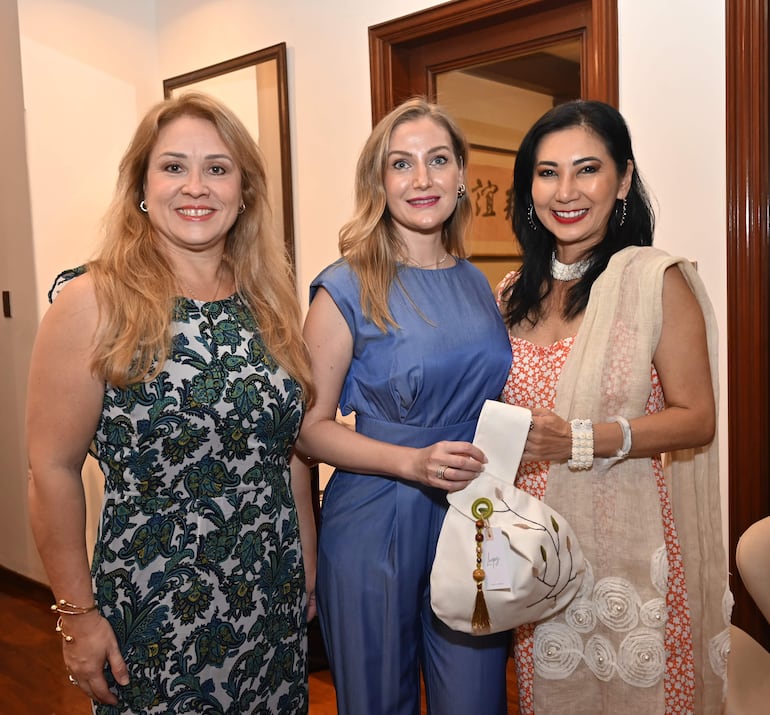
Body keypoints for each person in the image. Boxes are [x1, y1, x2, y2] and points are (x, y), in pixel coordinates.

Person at [26, 92, 316, 713]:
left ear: (245, 193)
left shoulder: (268, 304)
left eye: (217, 168)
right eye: (173, 166)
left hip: (270, 593)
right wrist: (76, 617)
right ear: (141, 185)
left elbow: (288, 447)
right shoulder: (93, 302)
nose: (196, 187)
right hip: (159, 609)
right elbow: (50, 469)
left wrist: (308, 564)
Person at [497, 99, 731, 714]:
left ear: (622, 179)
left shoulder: (656, 280)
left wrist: (576, 439)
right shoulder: (511, 294)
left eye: (587, 169)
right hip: (540, 556)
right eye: (547, 173)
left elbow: (696, 417)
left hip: (628, 553)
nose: (565, 191)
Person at [296, 97, 513, 714]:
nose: (422, 179)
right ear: (379, 182)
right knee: (378, 702)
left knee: (476, 701)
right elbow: (309, 430)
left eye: (437, 160)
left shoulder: (477, 281)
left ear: (462, 175)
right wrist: (411, 463)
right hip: (375, 513)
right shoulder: (344, 285)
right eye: (401, 163)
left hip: (474, 512)